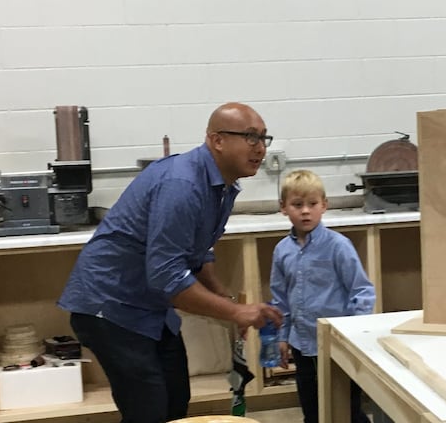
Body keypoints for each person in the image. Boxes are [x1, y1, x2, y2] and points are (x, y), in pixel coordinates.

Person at [57, 102, 283, 423]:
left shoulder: (220, 186)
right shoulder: (183, 184)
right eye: (250, 137)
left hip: (151, 309)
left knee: (176, 402)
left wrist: (224, 299)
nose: (260, 148)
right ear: (217, 140)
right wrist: (237, 312)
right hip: (109, 308)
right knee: (148, 411)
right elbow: (168, 277)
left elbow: (196, 251)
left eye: (263, 138)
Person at [270, 170, 376, 423]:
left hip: (336, 346)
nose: (305, 211)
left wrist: (352, 335)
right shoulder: (282, 251)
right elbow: (279, 298)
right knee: (312, 410)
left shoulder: (338, 246)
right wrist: (282, 337)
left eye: (312, 204)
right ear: (283, 208)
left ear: (324, 206)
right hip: (302, 345)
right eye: (297, 205)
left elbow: (362, 291)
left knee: (346, 410)